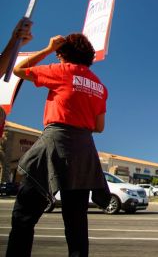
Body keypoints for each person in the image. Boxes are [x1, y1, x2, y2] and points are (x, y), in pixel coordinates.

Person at [6, 33, 110, 257]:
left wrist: (46, 48)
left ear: (63, 54)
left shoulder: (61, 71)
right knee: (76, 223)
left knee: (24, 215)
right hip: (84, 152)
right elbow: (99, 127)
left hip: (56, 143)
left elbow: (18, 70)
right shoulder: (100, 86)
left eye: (58, 53)